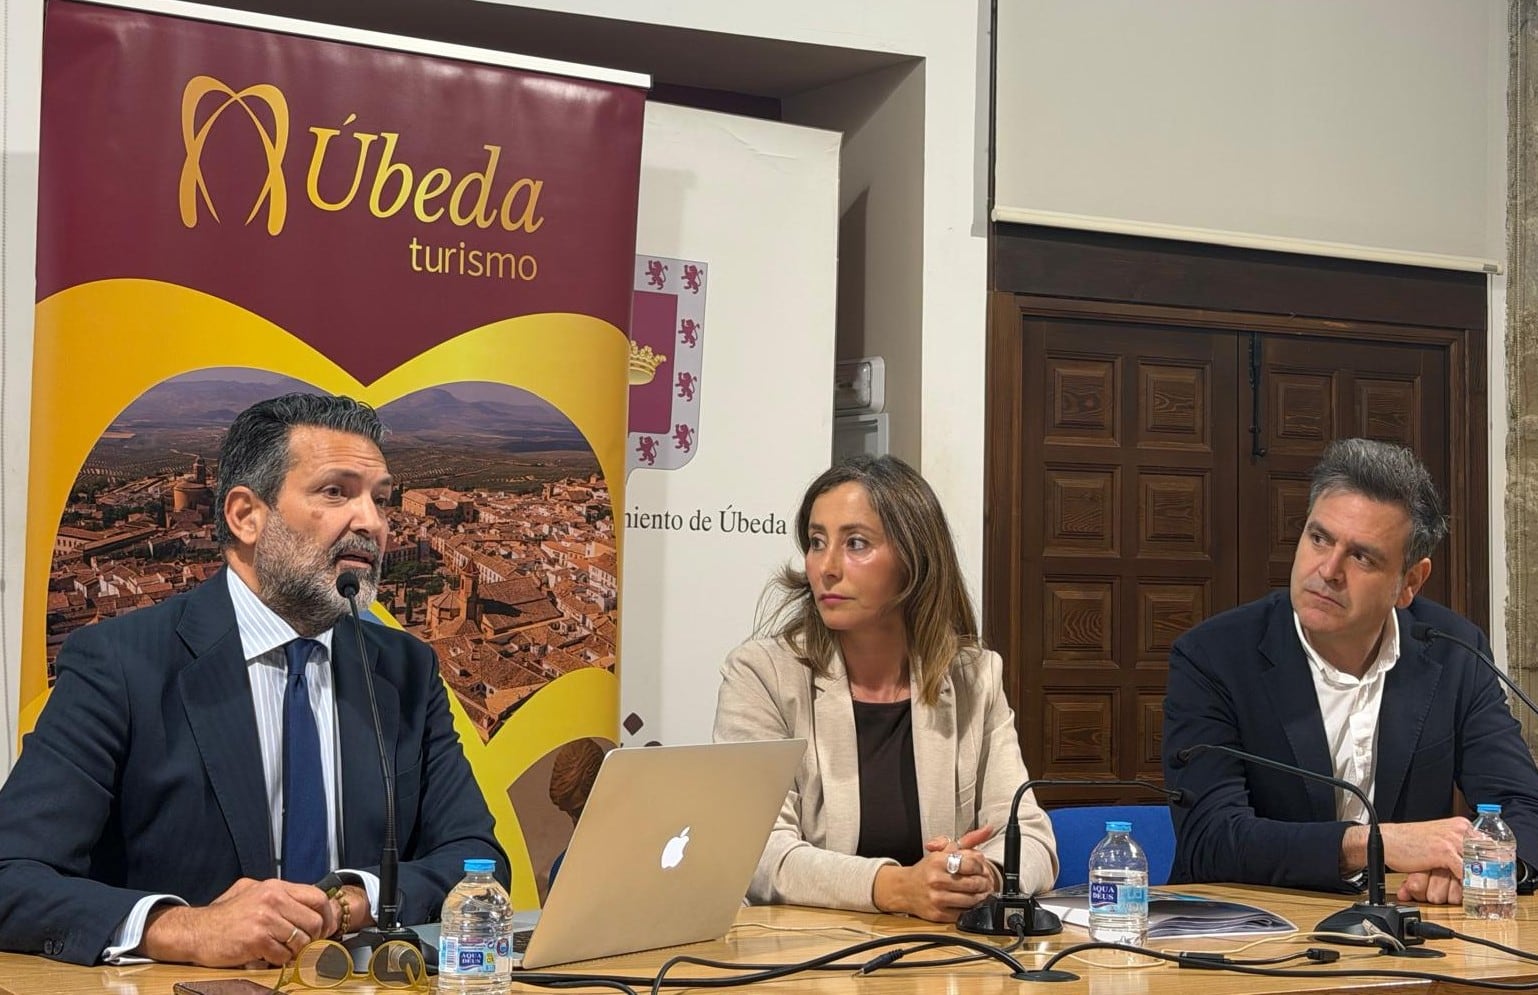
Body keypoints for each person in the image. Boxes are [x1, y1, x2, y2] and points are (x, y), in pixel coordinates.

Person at [0, 393, 507, 966]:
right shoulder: (121, 663)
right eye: (335, 492)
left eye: (381, 499)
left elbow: (476, 861)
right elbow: (11, 874)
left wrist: (350, 902)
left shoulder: (404, 671)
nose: (371, 521)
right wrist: (187, 929)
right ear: (245, 516)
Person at [1163, 438, 1538, 905]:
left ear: (1410, 582)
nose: (1328, 570)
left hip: (1407, 926)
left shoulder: (1455, 651)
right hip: (1248, 926)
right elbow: (1210, 839)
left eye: (1361, 556)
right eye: (1319, 538)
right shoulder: (1214, 655)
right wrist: (1375, 844)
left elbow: (1524, 807)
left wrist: (1478, 868)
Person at [713, 455, 1056, 922]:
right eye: (816, 542)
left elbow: (1032, 839)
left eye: (856, 543)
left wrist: (983, 876)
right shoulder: (763, 675)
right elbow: (757, 853)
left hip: (942, 951)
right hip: (806, 950)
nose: (826, 567)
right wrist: (897, 888)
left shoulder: (975, 678)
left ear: (913, 560)